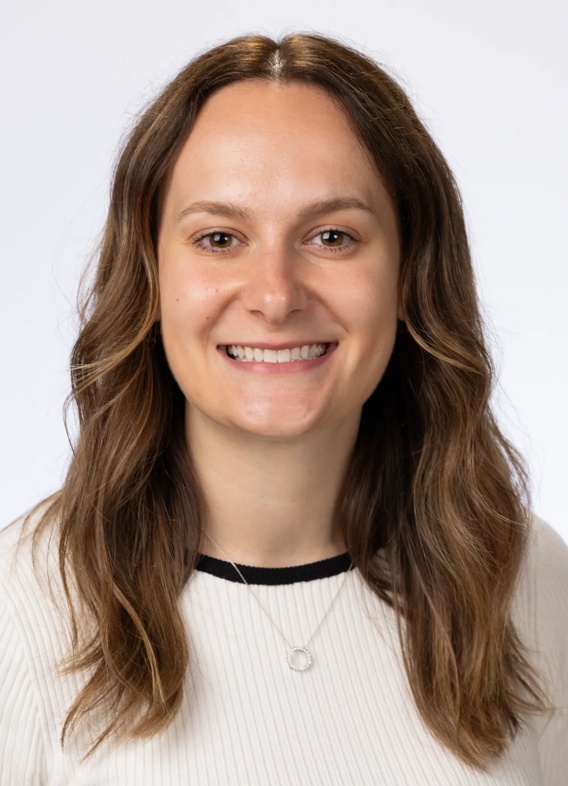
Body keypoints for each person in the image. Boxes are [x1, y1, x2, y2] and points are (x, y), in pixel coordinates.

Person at [0, 32, 566, 785]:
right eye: (220, 237)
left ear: (409, 274)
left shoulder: (523, 575)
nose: (275, 295)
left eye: (333, 236)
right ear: (149, 276)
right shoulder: (22, 607)